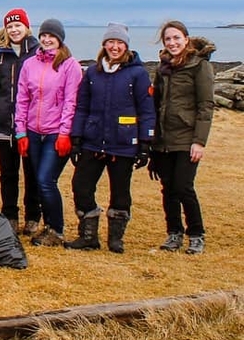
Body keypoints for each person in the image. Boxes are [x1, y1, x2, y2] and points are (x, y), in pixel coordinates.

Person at [66, 23, 156, 253]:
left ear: (126, 46)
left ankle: (116, 238)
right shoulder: (93, 72)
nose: (114, 47)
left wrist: (145, 143)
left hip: (124, 143)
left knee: (120, 192)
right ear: (104, 44)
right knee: (81, 186)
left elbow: (146, 110)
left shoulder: (137, 74)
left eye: (119, 43)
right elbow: (82, 107)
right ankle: (88, 237)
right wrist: (76, 139)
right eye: (111, 42)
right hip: (92, 140)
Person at [13, 18, 83, 246]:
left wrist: (65, 133)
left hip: (55, 132)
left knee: (46, 180)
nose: (46, 39)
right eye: (44, 35)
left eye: (51, 36)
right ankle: (48, 225)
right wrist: (20, 132)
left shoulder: (70, 66)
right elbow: (22, 99)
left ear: (60, 39)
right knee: (35, 179)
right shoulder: (30, 64)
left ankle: (56, 229)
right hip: (33, 131)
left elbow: (71, 102)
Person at [150, 20, 215, 255]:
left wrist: (199, 141)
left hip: (187, 137)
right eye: (168, 39)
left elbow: (206, 105)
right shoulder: (163, 68)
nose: (172, 42)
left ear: (186, 39)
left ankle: (196, 234)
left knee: (183, 186)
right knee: (168, 188)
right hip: (164, 138)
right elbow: (156, 103)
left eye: (176, 38)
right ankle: (173, 233)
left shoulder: (199, 66)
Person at [0, 8, 42, 235]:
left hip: (29, 127)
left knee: (31, 173)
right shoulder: (0, 56)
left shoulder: (36, 53)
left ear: (26, 27)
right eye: (10, 26)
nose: (14, 30)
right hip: (3, 125)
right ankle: (9, 215)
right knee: (8, 173)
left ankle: (33, 216)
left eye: (18, 25)